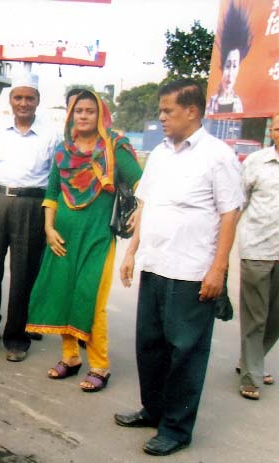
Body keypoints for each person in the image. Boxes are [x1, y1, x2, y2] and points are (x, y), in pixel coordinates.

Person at [115, 79, 243, 456]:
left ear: (192, 111)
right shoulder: (159, 154)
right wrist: (131, 252)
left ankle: (176, 428)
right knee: (150, 347)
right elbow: (145, 207)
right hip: (155, 265)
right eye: (160, 110)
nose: (162, 117)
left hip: (191, 273)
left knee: (185, 352)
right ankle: (153, 410)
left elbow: (229, 213)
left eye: (168, 111)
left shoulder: (218, 155)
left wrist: (218, 269)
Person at [26, 90, 142, 392]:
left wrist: (142, 211)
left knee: (91, 300)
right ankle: (70, 357)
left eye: (90, 110)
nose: (84, 116)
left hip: (98, 237)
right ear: (71, 115)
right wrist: (49, 229)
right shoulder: (64, 151)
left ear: (101, 114)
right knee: (64, 294)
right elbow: (51, 194)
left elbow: (143, 181)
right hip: (62, 235)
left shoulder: (114, 148)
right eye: (79, 111)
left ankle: (100, 365)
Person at [0, 74, 60, 362]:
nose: (24, 103)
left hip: (32, 205)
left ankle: (17, 338)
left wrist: (51, 220)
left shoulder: (52, 135)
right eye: (18, 97)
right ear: (11, 100)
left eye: (29, 98)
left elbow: (55, 181)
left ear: (38, 101)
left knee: (24, 275)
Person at [236, 113, 279, 400]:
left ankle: (252, 360)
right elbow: (238, 202)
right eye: (278, 126)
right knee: (256, 316)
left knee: (275, 318)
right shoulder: (257, 162)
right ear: (272, 132)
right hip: (258, 250)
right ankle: (251, 374)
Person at [206, 1, 252, 114]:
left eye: (235, 66)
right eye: (228, 65)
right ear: (222, 67)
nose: (230, 73)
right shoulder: (212, 102)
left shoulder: (237, 103)